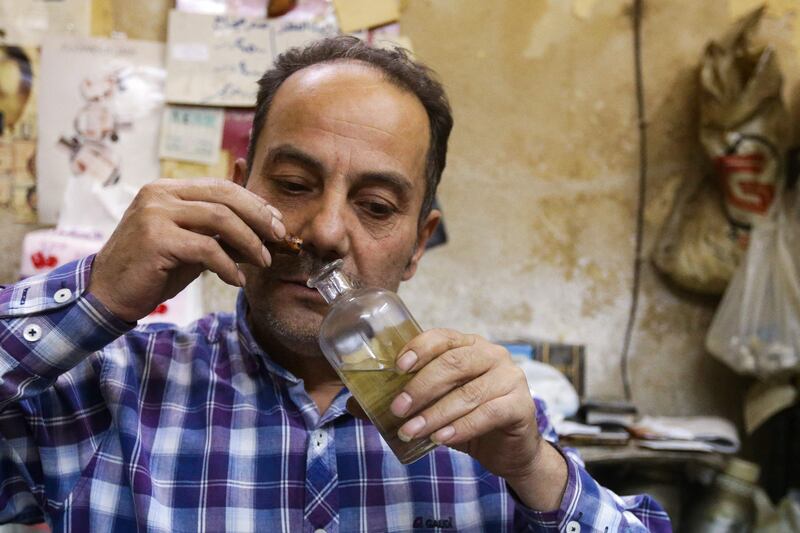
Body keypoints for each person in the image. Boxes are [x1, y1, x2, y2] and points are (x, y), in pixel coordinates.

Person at [0, 36, 670, 532]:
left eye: (376, 206)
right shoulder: (110, 391)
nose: (323, 231)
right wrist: (95, 296)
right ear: (240, 186)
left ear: (416, 244)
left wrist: (537, 472)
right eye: (293, 186)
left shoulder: (485, 421)